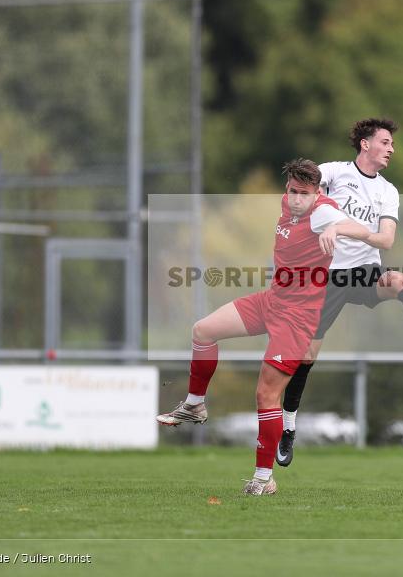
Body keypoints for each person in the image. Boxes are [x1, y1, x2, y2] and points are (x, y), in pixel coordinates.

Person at [156, 158, 383, 496]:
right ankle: (194, 404)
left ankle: (264, 478)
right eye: (292, 191)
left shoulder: (323, 211)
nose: (295, 199)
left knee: (266, 394)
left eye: (304, 194)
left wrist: (336, 229)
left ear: (317, 192)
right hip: (272, 301)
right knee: (203, 330)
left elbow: (365, 232)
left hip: (297, 318)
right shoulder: (288, 201)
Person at [276, 118, 403, 467]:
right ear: (365, 144)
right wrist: (315, 219)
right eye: (385, 142)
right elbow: (300, 189)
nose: (391, 149)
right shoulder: (334, 173)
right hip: (326, 277)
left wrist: (344, 228)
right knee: (306, 357)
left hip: (365, 272)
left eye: (392, 144)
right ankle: (288, 429)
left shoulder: (387, 191)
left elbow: (386, 239)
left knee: (402, 283)